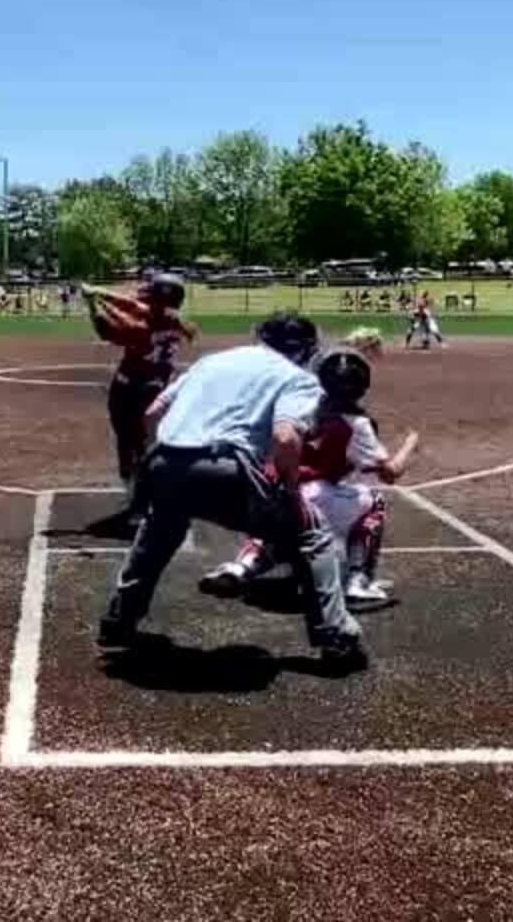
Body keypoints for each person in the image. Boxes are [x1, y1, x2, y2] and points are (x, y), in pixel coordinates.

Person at [96, 311, 369, 670]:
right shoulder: (298, 378)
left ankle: (118, 622)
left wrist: (152, 464)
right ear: (304, 349)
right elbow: (285, 437)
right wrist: (288, 493)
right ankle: (336, 636)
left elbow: (152, 413)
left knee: (160, 529)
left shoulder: (213, 361)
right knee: (312, 534)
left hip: (164, 461)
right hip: (226, 468)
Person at [201, 344, 419, 607]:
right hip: (314, 497)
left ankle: (239, 569)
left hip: (268, 491)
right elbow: (390, 473)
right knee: (374, 501)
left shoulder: (300, 405)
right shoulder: (356, 423)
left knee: (280, 530)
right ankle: (359, 581)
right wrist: (411, 444)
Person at [81, 274, 198, 525]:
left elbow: (105, 327)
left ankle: (138, 502)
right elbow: (135, 306)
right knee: (148, 444)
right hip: (157, 393)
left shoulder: (141, 329)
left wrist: (92, 303)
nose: (145, 301)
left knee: (131, 447)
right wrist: (101, 291)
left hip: (131, 394)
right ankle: (147, 496)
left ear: (158, 302)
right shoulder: (176, 323)